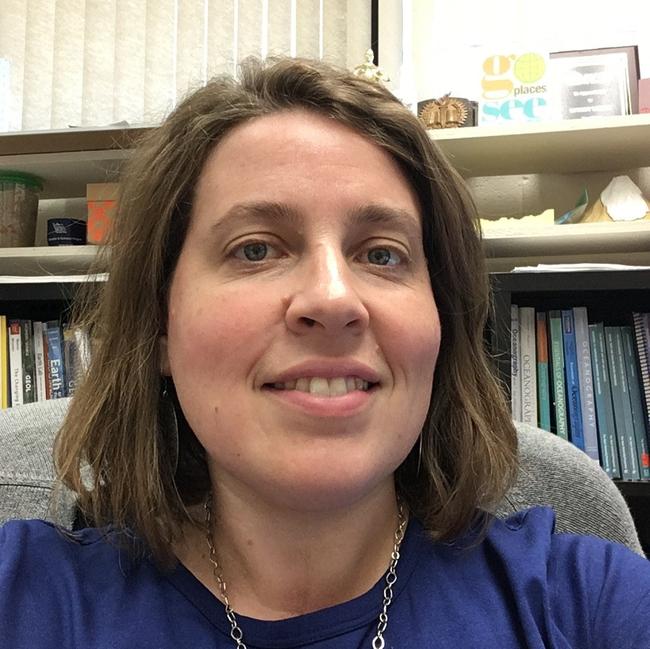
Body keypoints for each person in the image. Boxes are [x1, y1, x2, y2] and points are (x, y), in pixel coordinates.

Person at [1, 56, 649, 649]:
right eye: (256, 248)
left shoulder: (586, 602)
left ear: (441, 324)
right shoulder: (24, 597)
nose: (333, 298)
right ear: (159, 328)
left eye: (382, 254)